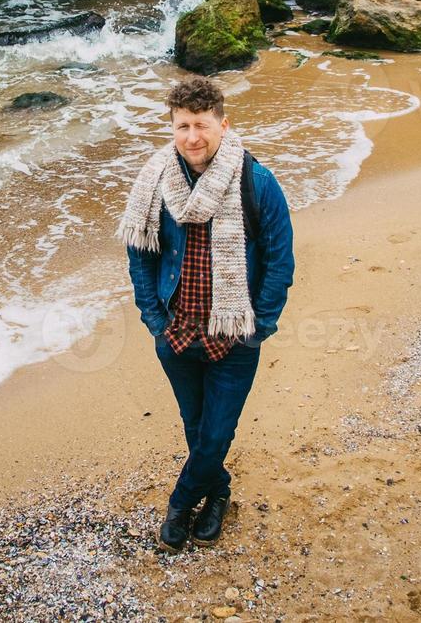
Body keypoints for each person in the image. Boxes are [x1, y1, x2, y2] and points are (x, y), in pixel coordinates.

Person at [117, 76, 295, 552]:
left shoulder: (257, 182)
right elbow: (141, 255)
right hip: (176, 334)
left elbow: (280, 262)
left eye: (201, 125)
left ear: (222, 123)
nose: (192, 136)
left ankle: (180, 503)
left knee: (217, 433)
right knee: (198, 430)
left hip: (234, 337)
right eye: (182, 126)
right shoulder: (156, 179)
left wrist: (259, 328)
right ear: (172, 128)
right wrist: (154, 320)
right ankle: (217, 493)